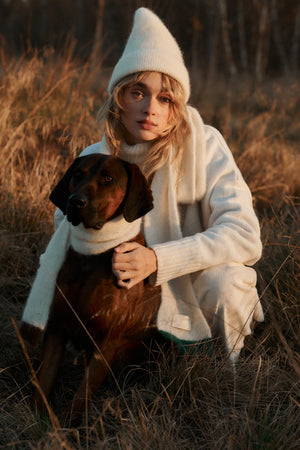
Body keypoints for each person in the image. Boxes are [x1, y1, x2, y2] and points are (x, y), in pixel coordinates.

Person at [26, 7, 264, 362]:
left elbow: (243, 235)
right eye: (138, 92)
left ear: (176, 108)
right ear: (119, 99)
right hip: (124, 296)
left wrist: (158, 258)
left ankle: (219, 369)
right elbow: (67, 232)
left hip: (193, 287)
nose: (150, 108)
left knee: (224, 281)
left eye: (165, 98)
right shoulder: (95, 157)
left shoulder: (206, 146)